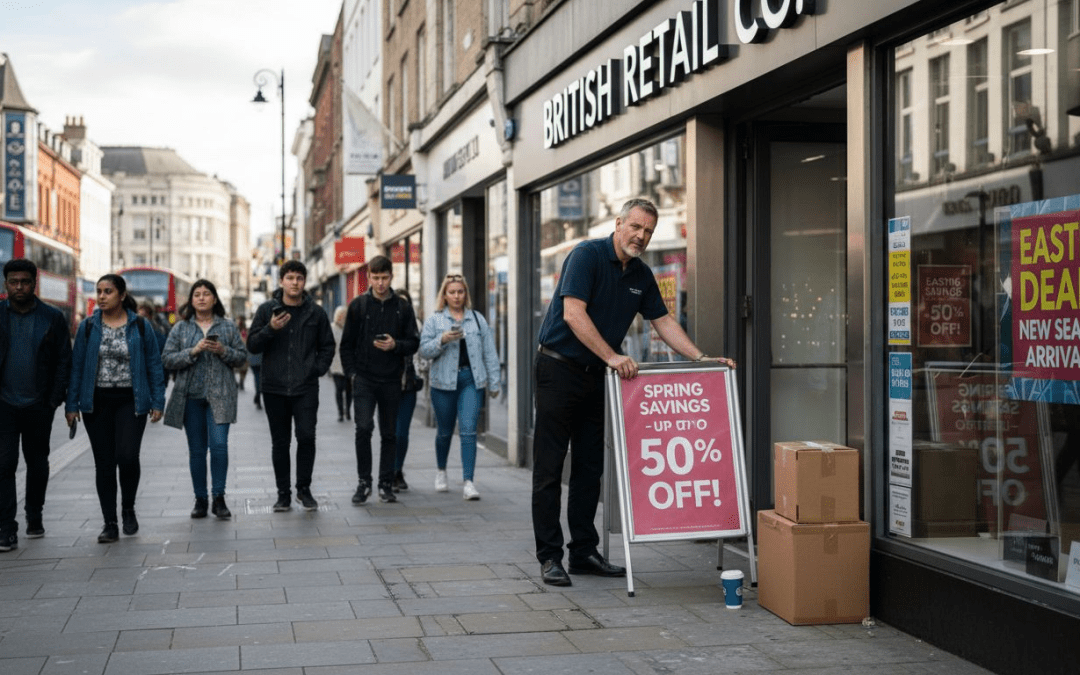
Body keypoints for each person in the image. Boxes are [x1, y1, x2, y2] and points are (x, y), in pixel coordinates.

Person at [532, 198, 735, 586]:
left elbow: (663, 321)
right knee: (549, 467)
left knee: (591, 467)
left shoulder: (641, 275)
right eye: (636, 228)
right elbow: (574, 313)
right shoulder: (586, 255)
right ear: (619, 222)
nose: (641, 236)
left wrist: (702, 358)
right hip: (558, 369)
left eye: (648, 232)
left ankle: (583, 553)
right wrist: (612, 355)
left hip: (597, 375)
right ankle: (549, 557)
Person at [66, 274, 166, 544]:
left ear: (121, 296)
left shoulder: (140, 326)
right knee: (105, 463)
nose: (101, 296)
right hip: (96, 402)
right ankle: (109, 522)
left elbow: (155, 365)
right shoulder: (87, 327)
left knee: (128, 456)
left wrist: (158, 401)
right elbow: (76, 368)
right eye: (98, 291)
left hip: (130, 401)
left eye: (107, 291)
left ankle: (128, 508)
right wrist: (71, 404)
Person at [246, 260, 335, 512]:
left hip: (305, 387)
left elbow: (327, 345)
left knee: (306, 436)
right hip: (274, 387)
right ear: (282, 281)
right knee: (280, 442)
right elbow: (252, 344)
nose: (295, 282)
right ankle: (283, 494)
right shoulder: (267, 310)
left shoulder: (315, 313)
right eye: (290, 278)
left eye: (299, 278)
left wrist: (317, 369)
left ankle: (304, 489)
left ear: (304, 282)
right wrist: (270, 329)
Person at [0, 259, 72, 552]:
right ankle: (6, 527)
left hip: (38, 404)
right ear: (6, 283)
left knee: (37, 463)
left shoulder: (52, 317)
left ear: (35, 283)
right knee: (3, 465)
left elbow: (63, 361)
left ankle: (34, 513)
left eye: (25, 282)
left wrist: (53, 400)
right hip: (3, 404)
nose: (19, 287)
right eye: (14, 281)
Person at [161, 280, 247, 520]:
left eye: (206, 294)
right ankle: (200, 499)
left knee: (219, 446)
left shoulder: (228, 327)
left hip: (221, 395)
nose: (201, 298)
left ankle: (219, 498)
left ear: (214, 299)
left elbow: (242, 358)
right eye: (196, 294)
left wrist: (223, 351)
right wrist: (193, 351)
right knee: (197, 451)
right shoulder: (181, 329)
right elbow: (167, 359)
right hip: (191, 397)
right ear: (191, 300)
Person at [339, 255, 419, 504]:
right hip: (363, 378)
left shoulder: (402, 307)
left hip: (391, 380)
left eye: (384, 278)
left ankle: (386, 482)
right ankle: (364, 482)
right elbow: (346, 345)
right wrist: (352, 373)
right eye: (376, 278)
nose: (381, 283)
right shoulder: (358, 306)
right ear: (369, 278)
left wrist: (396, 345)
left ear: (391, 277)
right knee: (363, 428)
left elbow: (413, 342)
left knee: (389, 433)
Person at [419, 275, 500, 500]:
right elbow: (423, 350)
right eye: (452, 292)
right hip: (443, 383)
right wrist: (442, 340)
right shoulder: (435, 320)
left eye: (460, 292)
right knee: (444, 432)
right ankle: (441, 471)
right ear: (444, 295)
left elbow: (489, 352)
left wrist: (494, 381)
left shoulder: (476, 319)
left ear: (466, 294)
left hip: (470, 380)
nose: (456, 296)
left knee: (468, 431)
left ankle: (469, 482)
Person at [391, 288, 424, 492]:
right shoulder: (387, 322)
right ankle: (389, 471)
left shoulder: (416, 325)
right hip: (387, 384)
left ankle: (397, 470)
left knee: (402, 432)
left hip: (408, 385)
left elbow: (421, 353)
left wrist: (419, 374)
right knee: (390, 432)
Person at [329, 306, 352, 422]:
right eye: (340, 315)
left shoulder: (350, 328)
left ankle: (348, 410)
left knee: (349, 390)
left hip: (348, 364)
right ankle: (340, 412)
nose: (342, 317)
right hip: (336, 364)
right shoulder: (331, 328)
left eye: (344, 315)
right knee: (339, 389)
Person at [234, 317, 250, 391]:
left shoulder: (244, 330)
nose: (238, 321)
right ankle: (238, 382)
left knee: (243, 368)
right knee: (235, 368)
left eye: (239, 320)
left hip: (242, 351)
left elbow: (245, 340)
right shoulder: (234, 329)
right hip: (237, 351)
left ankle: (241, 381)